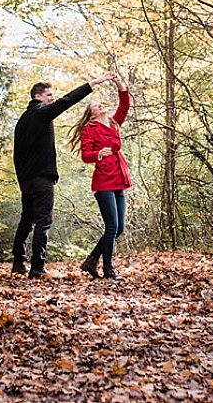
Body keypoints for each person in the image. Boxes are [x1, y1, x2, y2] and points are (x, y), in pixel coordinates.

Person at [12, 71, 117, 278]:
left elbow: (18, 153)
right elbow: (66, 101)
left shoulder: (22, 121)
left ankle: (18, 262)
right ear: (38, 97)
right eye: (49, 95)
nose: (52, 98)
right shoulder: (41, 112)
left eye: (52, 95)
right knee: (44, 220)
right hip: (41, 178)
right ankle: (37, 267)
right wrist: (92, 83)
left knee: (27, 219)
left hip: (26, 179)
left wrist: (22, 179)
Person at [71, 73, 131, 279]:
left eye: (100, 104)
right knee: (112, 226)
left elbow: (124, 105)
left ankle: (91, 260)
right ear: (92, 114)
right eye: (96, 106)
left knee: (119, 227)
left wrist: (118, 83)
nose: (100, 106)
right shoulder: (90, 128)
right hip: (103, 181)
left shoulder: (114, 124)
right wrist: (98, 154)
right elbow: (85, 155)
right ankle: (108, 268)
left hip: (118, 179)